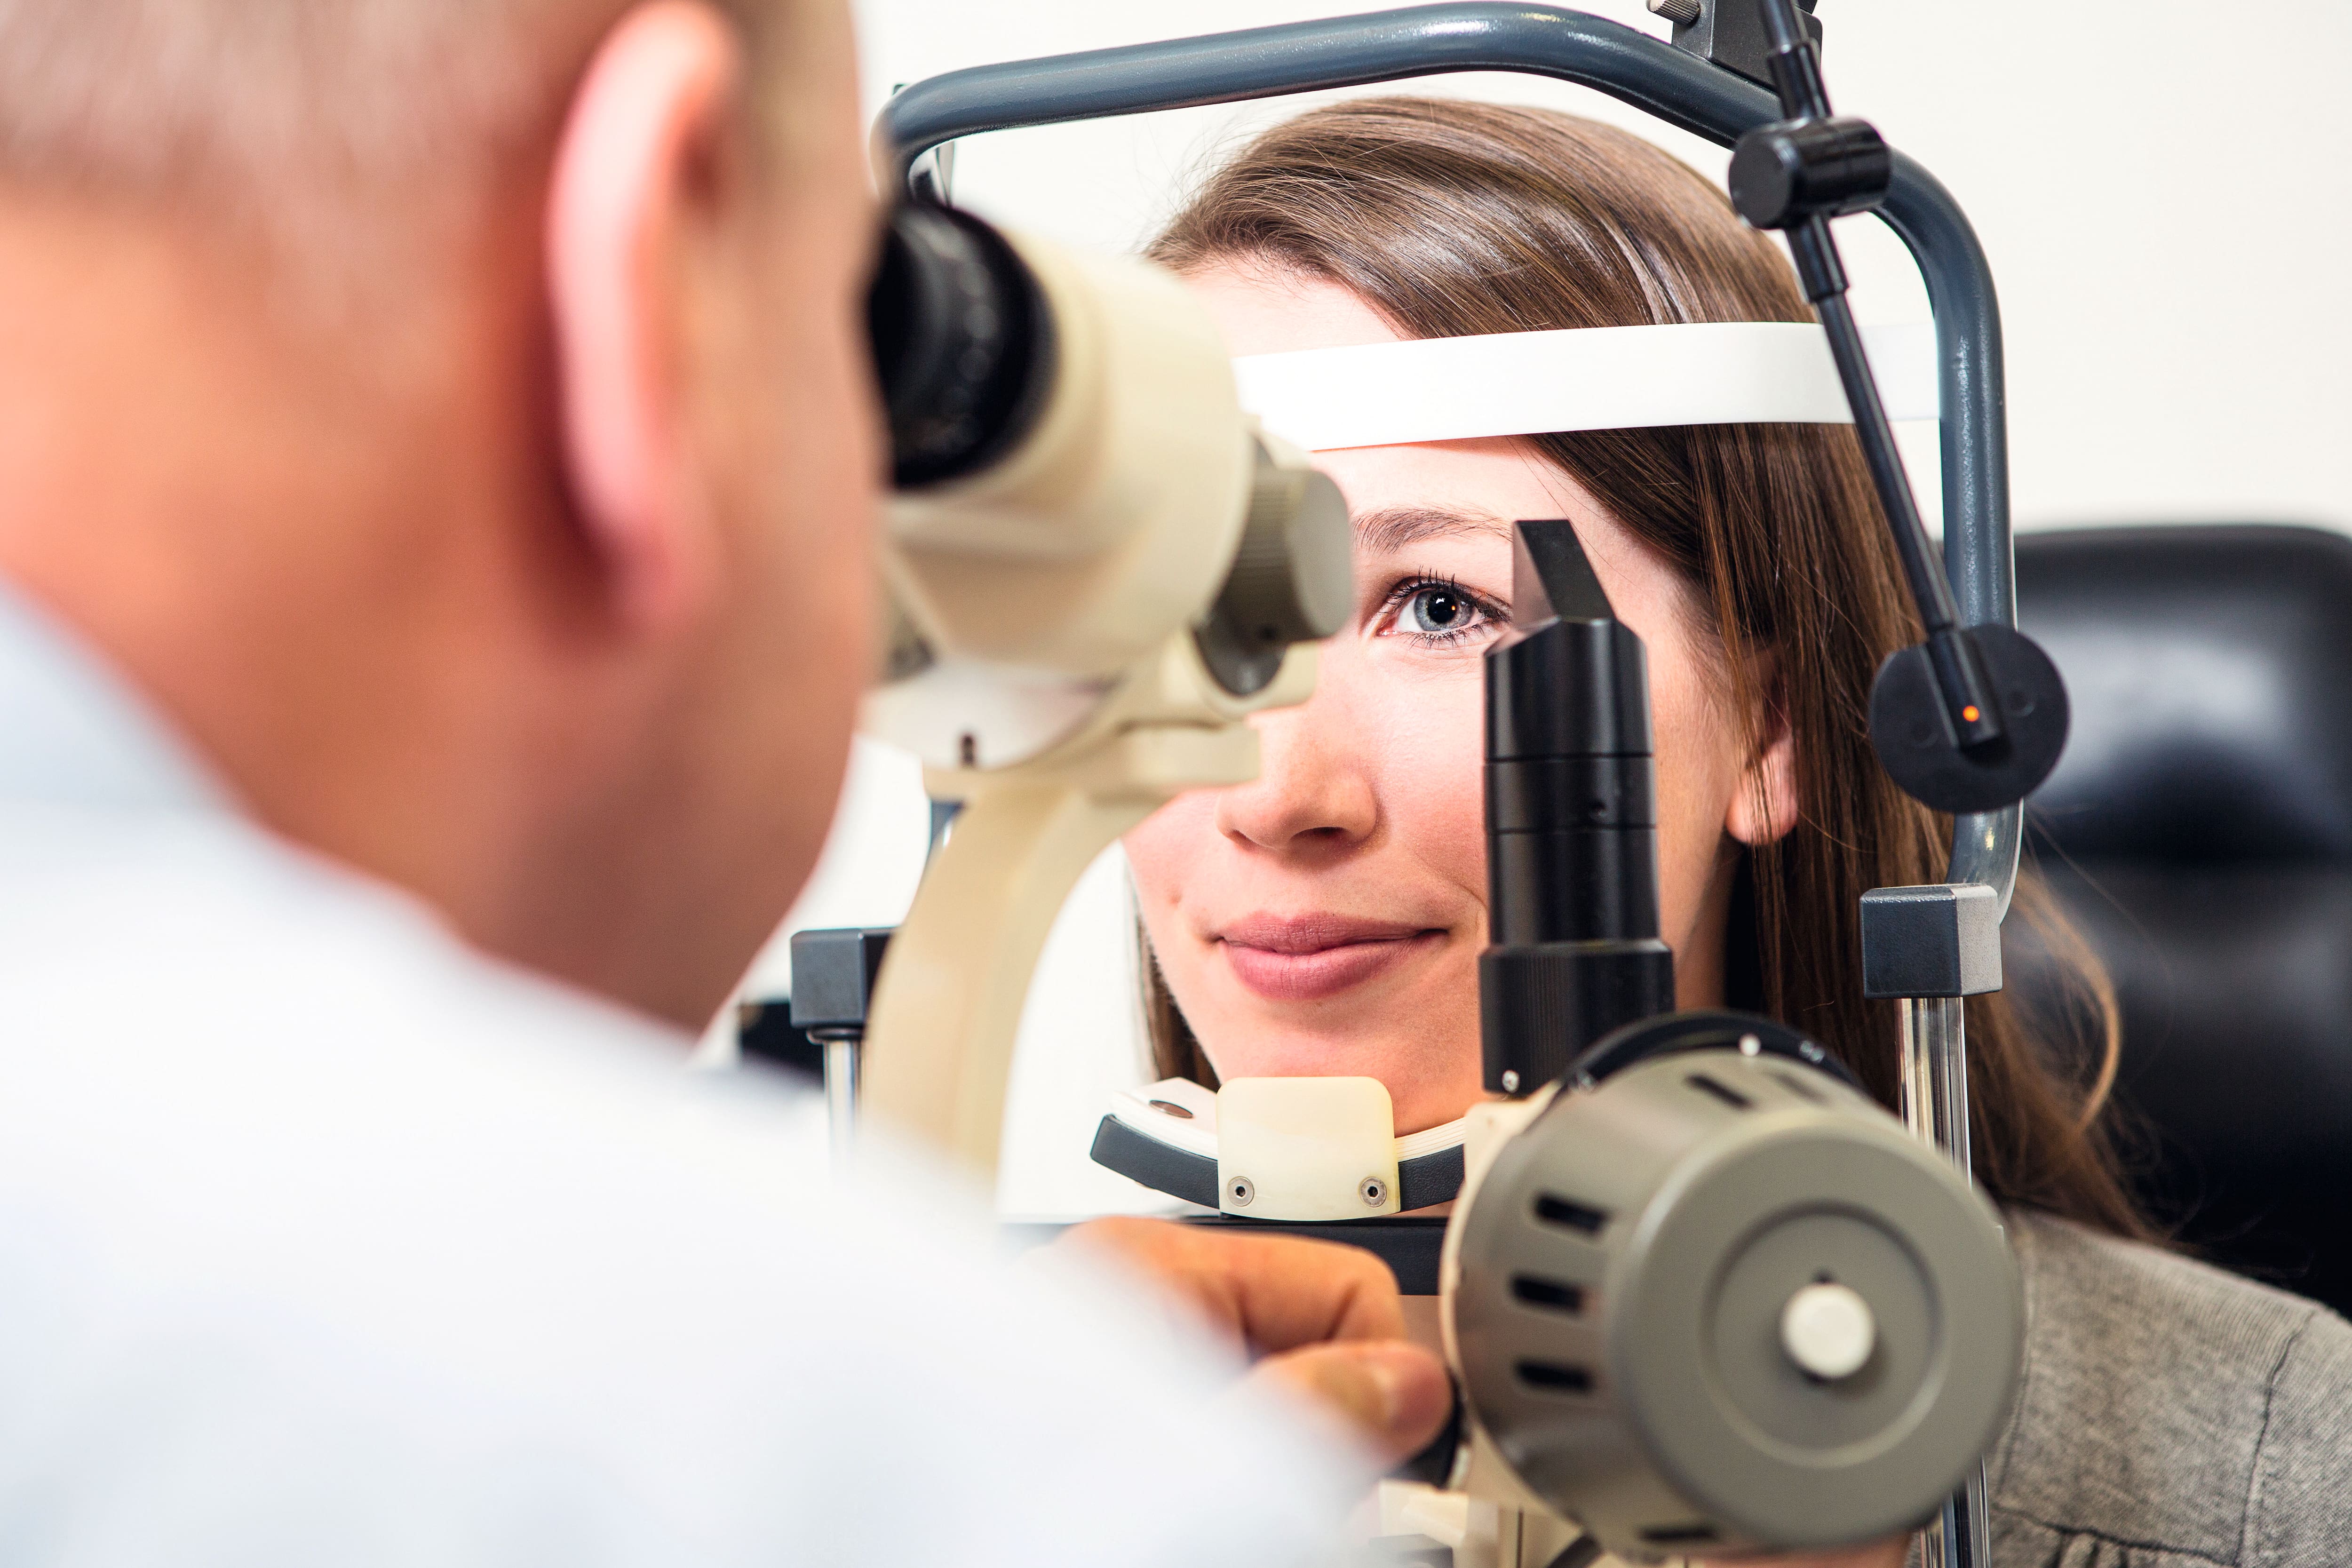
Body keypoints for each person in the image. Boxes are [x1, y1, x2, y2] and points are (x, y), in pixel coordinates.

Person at [0, 1, 1456, 1560]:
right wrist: (960, 1434)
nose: (1282, 787)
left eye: (1446, 608)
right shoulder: (878, 1466)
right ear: (659, 283)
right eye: (850, 309)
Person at [1120, 97, 2352, 1566]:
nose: (1275, 791)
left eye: (1444, 608)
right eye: (1201, 615)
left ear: (1768, 725)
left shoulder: (2283, 1480)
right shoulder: (968, 1437)